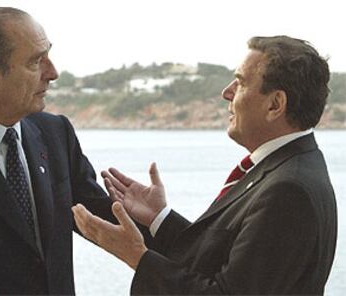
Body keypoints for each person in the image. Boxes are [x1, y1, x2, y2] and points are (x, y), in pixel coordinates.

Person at [72, 35, 338, 295]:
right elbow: (221, 257)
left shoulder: (288, 190)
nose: (227, 93)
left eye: (241, 83)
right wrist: (159, 219)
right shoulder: (286, 166)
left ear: (275, 104)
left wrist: (138, 258)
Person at [0, 7, 121, 295]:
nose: (53, 73)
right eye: (36, 61)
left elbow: (102, 221)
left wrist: (154, 218)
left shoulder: (56, 133)